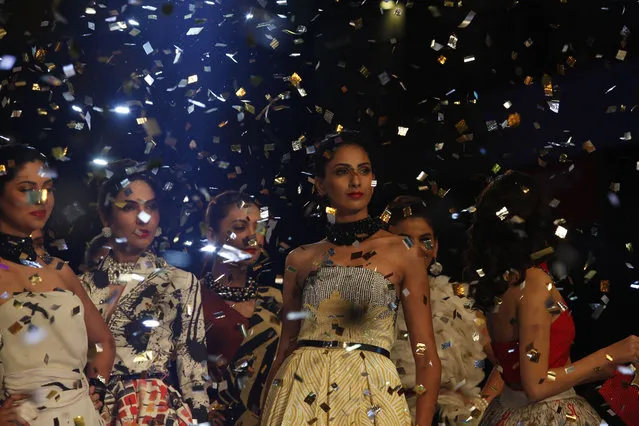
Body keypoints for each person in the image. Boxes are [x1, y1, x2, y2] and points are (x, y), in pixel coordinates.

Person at [261, 132, 441, 426]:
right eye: (343, 172)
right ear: (320, 184)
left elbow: (426, 355)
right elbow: (286, 349)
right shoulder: (300, 259)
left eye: (364, 170)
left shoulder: (404, 252)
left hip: (372, 397)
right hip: (299, 393)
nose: (356, 181)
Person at [466, 170, 639, 426]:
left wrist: (602, 368)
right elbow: (536, 386)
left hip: (508, 413)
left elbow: (523, 367)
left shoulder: (500, 283)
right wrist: (609, 355)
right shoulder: (534, 283)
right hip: (547, 416)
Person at [78, 160, 210, 425]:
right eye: (129, 207)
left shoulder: (180, 281)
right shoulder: (81, 287)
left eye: (151, 207)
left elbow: (193, 369)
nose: (144, 218)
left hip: (157, 409)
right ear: (105, 216)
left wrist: (201, 417)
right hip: (93, 411)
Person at [0, 144, 115, 425]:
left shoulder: (60, 271)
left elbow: (103, 342)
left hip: (81, 416)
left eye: (48, 187)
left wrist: (96, 389)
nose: (42, 198)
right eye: (27, 187)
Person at [387, 195, 503, 425]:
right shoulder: (375, 305)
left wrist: (483, 404)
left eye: (426, 240)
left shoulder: (460, 302)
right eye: (405, 240)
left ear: (437, 246)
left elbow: (506, 362)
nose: (417, 249)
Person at [200, 191, 282, 425]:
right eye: (240, 227)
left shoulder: (275, 301)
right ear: (212, 235)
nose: (253, 237)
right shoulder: (190, 298)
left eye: (259, 228)